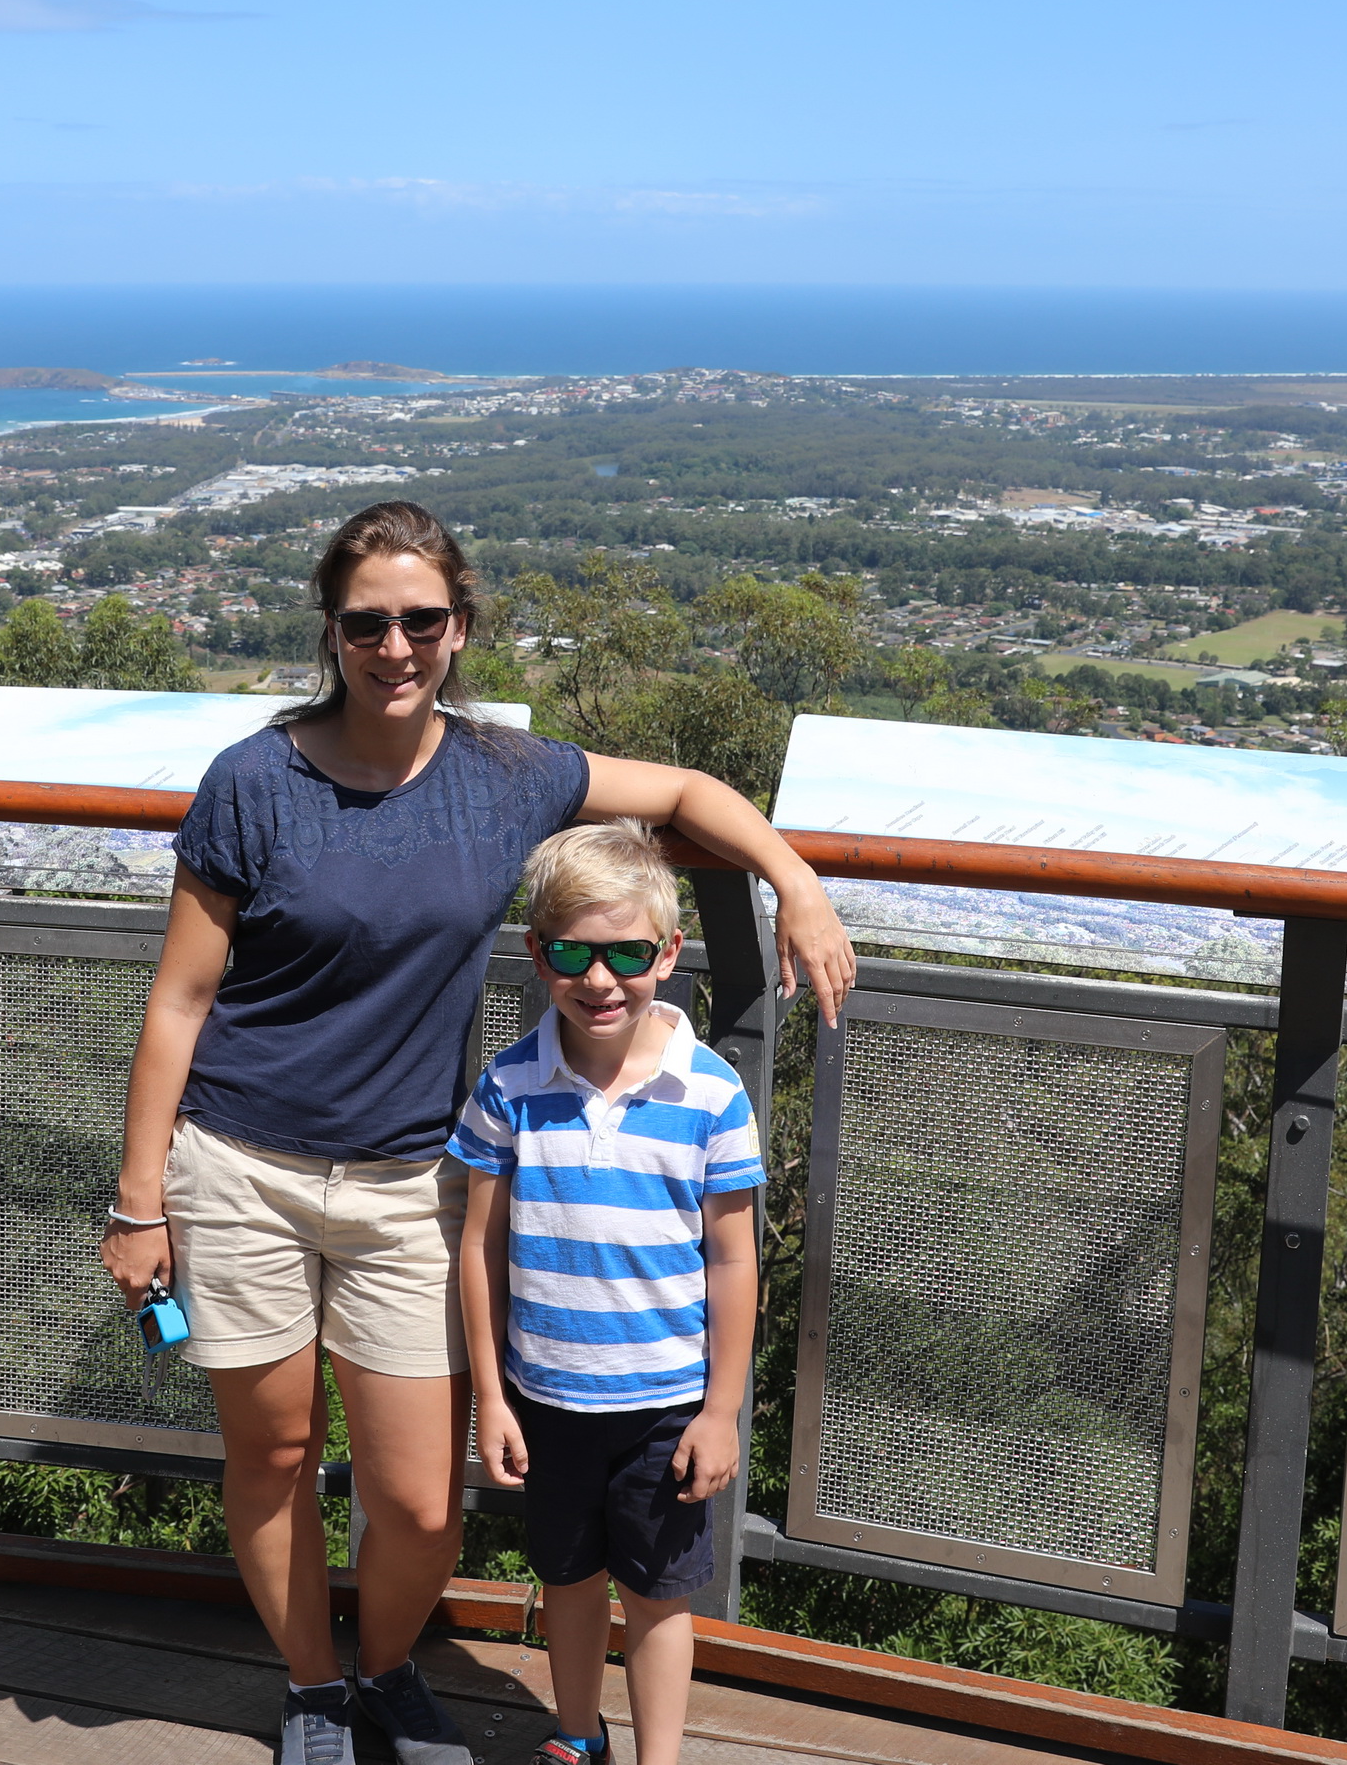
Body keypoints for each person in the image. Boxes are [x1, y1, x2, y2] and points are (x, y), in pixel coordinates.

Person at [97, 500, 852, 1765]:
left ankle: (386, 1660)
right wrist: (138, 1199)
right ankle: (315, 1687)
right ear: (331, 630)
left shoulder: (504, 774)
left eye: (422, 620)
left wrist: (799, 880)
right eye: (367, 622)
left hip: (408, 1179)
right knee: (274, 1449)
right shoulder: (253, 779)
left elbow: (684, 788)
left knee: (418, 1499)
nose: (395, 646)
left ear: (460, 626)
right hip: (238, 1165)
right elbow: (180, 999)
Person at [452, 823, 758, 1765]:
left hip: (665, 1403)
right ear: (538, 954)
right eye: (572, 954)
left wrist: (721, 1410)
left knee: (660, 1596)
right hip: (547, 1399)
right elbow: (479, 1244)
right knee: (570, 1579)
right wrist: (492, 1397)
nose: (600, 980)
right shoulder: (508, 1085)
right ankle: (577, 1737)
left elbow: (733, 1261)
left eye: (627, 952)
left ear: (668, 952)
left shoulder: (710, 1095)